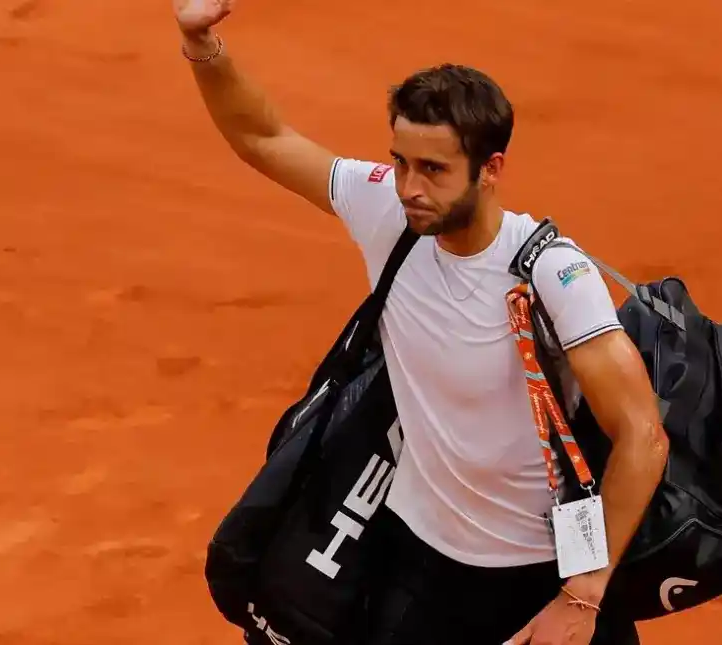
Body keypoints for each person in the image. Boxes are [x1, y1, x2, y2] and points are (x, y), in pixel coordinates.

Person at [173, 2, 670, 644]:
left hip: (542, 573)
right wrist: (201, 41)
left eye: (433, 170)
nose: (409, 186)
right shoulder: (391, 215)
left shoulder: (554, 275)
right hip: (419, 565)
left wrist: (582, 594)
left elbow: (641, 435)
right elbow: (264, 138)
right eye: (401, 161)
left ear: (490, 170)